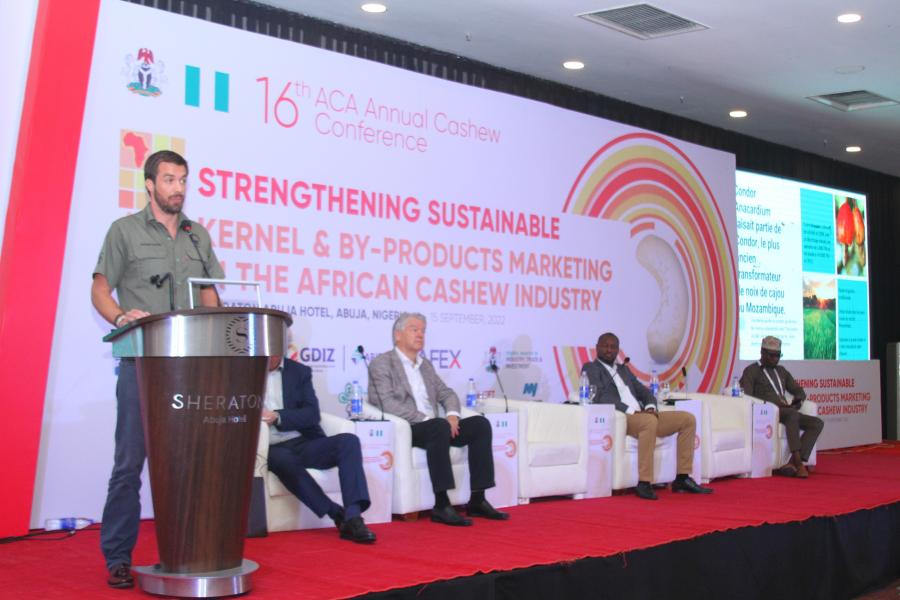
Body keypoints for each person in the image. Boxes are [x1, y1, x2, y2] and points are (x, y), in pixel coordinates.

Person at [91, 150, 225, 589]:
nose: (178, 188)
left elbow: (210, 294)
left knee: (192, 463)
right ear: (149, 184)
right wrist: (119, 317)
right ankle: (118, 557)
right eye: (169, 179)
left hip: (192, 368)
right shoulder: (124, 231)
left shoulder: (196, 235)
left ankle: (194, 550)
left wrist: (219, 334)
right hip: (142, 364)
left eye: (183, 180)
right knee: (129, 463)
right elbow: (100, 288)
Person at [368, 312, 509, 525]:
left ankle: (478, 500)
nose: (420, 334)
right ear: (398, 335)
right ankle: (442, 505)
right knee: (438, 426)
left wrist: (452, 415)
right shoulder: (382, 363)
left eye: (423, 331)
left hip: (438, 428)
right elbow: (385, 403)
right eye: (414, 330)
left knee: (480, 425)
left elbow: (447, 393)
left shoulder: (425, 365)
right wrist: (426, 419)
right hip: (410, 428)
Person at [582, 332, 712, 500]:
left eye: (613, 347)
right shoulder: (591, 368)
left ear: (618, 350)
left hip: (643, 415)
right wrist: (632, 411)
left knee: (687, 419)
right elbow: (600, 397)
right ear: (597, 348)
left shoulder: (623, 369)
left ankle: (682, 477)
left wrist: (650, 406)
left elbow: (643, 391)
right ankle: (644, 482)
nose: (609, 350)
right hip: (623, 417)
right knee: (648, 422)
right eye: (605, 346)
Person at [262, 355, 376, 543]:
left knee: (349, 442)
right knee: (285, 461)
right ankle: (336, 514)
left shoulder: (298, 371)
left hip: (302, 440)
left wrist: (278, 416)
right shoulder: (246, 370)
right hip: (270, 446)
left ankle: (354, 516)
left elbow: (312, 414)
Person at [739, 336, 824, 478]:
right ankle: (798, 463)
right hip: (768, 412)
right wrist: (770, 404)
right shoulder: (751, 371)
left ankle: (791, 463)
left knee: (817, 423)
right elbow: (747, 396)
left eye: (778, 355)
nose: (776, 359)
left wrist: (798, 401)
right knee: (792, 415)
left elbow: (799, 390)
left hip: (787, 411)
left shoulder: (781, 371)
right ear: (762, 352)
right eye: (772, 355)